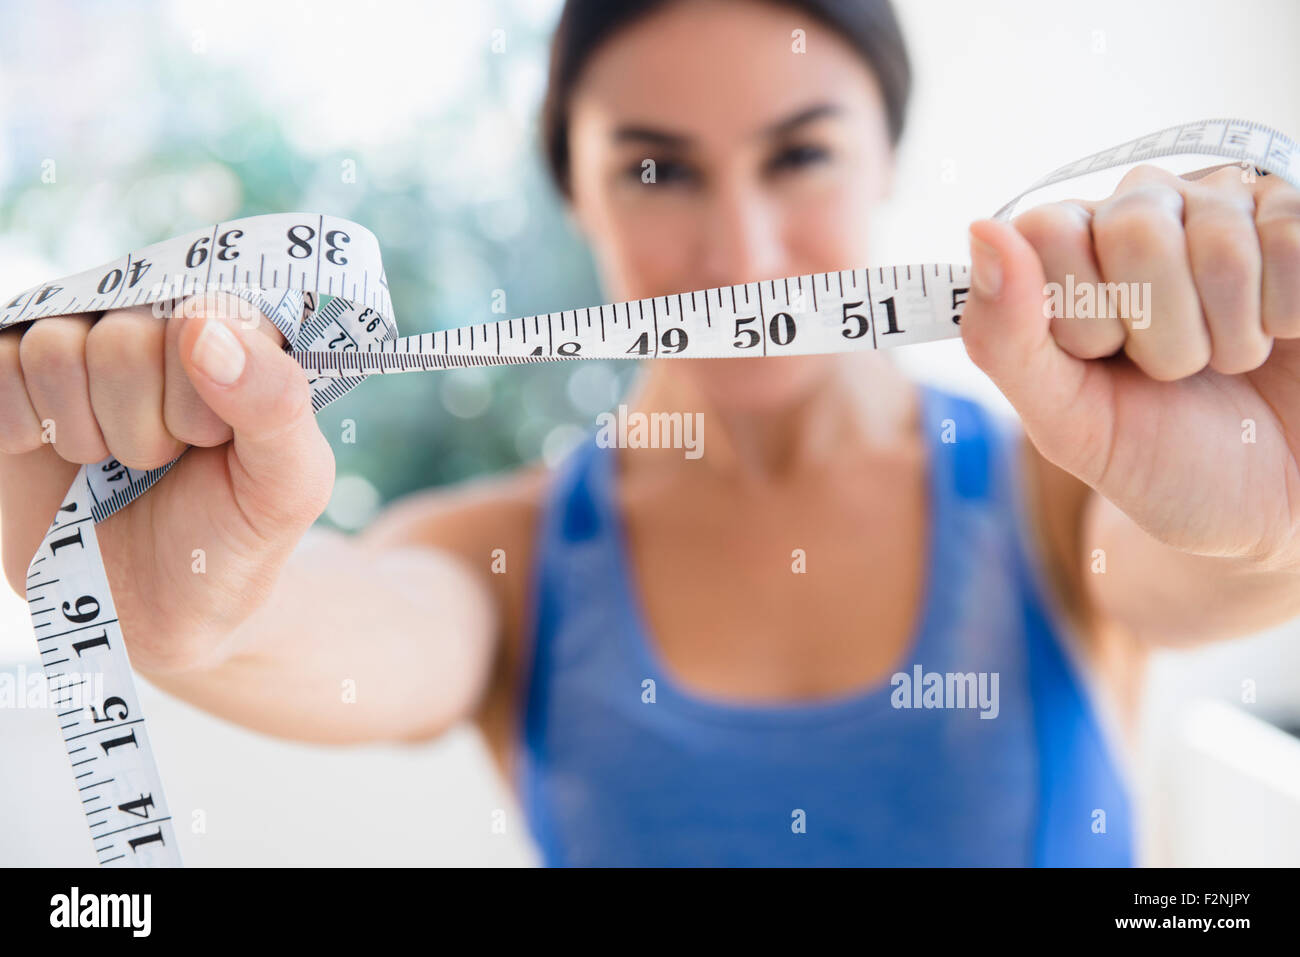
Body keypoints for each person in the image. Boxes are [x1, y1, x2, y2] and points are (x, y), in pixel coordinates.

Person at [3, 0, 1299, 866]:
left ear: (887, 158)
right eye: (655, 170)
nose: (738, 255)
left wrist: (1268, 511)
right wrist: (182, 601)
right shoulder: (504, 557)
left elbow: (1212, 560)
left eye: (798, 157)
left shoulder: (1069, 498)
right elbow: (327, 623)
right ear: (575, 190)